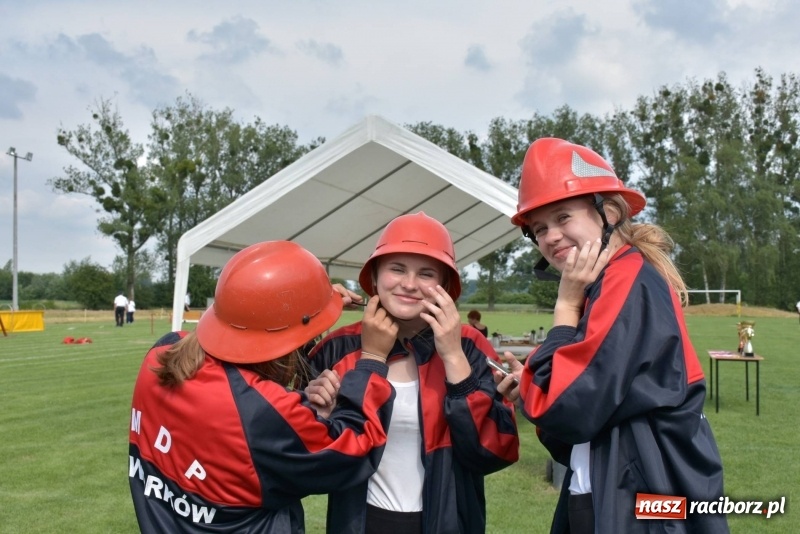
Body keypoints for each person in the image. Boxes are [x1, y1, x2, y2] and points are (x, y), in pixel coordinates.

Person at [494, 138, 728, 533]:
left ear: (611, 212)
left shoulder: (624, 281)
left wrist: (564, 310)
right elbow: (574, 430)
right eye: (539, 229)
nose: (550, 236)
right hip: (618, 492)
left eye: (563, 216)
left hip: (643, 499)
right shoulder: (611, 284)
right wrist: (535, 386)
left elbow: (568, 408)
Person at [129, 241, 395, 533]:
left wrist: (304, 309)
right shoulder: (261, 414)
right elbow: (352, 448)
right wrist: (372, 359)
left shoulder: (162, 353)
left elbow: (241, 390)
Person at [304, 212, 519, 534]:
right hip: (359, 522)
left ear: (445, 286)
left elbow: (491, 453)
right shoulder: (338, 347)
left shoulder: (471, 346)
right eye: (397, 268)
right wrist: (313, 314)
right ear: (374, 277)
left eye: (427, 273)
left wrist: (452, 357)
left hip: (449, 523)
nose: (409, 284)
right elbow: (302, 454)